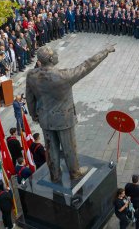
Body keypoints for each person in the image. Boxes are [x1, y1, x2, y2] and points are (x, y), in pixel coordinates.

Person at [26, 45, 115, 183]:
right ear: (50, 58)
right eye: (55, 54)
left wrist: (34, 115)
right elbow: (87, 65)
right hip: (64, 119)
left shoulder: (31, 75)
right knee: (69, 148)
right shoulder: (64, 76)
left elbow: (30, 98)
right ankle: (75, 173)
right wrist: (105, 51)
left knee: (51, 149)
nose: (57, 55)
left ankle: (55, 175)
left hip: (45, 119)